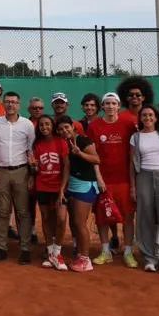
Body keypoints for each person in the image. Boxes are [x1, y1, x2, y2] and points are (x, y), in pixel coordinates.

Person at [88, 91, 138, 268]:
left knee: (128, 218)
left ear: (119, 106)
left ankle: (128, 252)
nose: (110, 106)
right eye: (107, 103)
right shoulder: (94, 126)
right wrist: (99, 179)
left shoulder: (129, 124)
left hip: (124, 180)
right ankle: (105, 251)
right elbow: (93, 155)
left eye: (113, 103)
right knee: (102, 217)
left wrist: (134, 183)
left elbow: (134, 154)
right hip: (104, 181)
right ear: (102, 107)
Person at [0, 91, 35, 264]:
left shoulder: (27, 125)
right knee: (3, 211)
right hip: (1, 172)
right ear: (3, 104)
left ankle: (25, 248)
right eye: (7, 102)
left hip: (22, 171)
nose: (10, 105)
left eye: (14, 102)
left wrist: (31, 175)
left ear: (19, 104)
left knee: (22, 212)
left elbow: (32, 150)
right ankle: (1, 247)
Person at [130, 105, 159, 273]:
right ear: (140, 118)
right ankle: (149, 258)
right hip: (143, 176)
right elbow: (132, 164)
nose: (147, 117)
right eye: (144, 115)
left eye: (151, 115)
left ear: (156, 118)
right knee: (145, 218)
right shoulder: (135, 138)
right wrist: (133, 186)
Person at [59, 116, 100, 272]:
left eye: (66, 127)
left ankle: (85, 259)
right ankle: (81, 255)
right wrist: (62, 188)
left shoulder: (83, 141)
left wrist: (80, 153)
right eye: (61, 129)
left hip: (86, 185)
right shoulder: (66, 144)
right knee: (76, 223)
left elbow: (97, 159)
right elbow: (67, 168)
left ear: (73, 126)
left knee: (80, 223)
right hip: (74, 184)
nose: (64, 131)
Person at [32, 115, 69, 271]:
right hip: (42, 187)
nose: (44, 127)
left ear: (52, 125)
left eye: (47, 124)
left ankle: (58, 252)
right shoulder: (37, 145)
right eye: (41, 125)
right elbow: (36, 168)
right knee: (46, 219)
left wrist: (62, 189)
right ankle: (50, 252)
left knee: (61, 219)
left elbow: (66, 166)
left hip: (58, 188)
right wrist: (33, 167)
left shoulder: (60, 142)